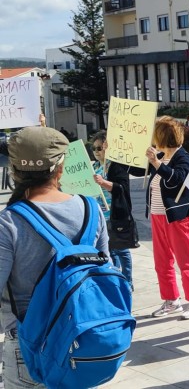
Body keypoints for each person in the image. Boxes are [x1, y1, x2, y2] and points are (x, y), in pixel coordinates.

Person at [0, 127, 109, 388]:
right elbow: (106, 270)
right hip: (84, 338)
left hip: (29, 342)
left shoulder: (8, 222)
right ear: (60, 168)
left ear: (14, 171)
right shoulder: (90, 208)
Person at [129, 116, 189, 319]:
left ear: (162, 136)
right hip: (158, 216)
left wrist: (157, 163)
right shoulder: (161, 155)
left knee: (185, 260)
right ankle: (172, 300)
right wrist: (120, 153)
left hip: (179, 217)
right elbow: (136, 168)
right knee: (162, 261)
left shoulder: (183, 157)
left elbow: (177, 180)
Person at [92, 131, 136, 290]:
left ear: (107, 148)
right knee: (109, 251)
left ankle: (128, 282)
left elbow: (121, 188)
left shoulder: (116, 166)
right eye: (94, 148)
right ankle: (116, 280)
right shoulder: (94, 166)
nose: (97, 152)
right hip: (100, 215)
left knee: (121, 249)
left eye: (99, 148)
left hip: (116, 214)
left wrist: (103, 182)